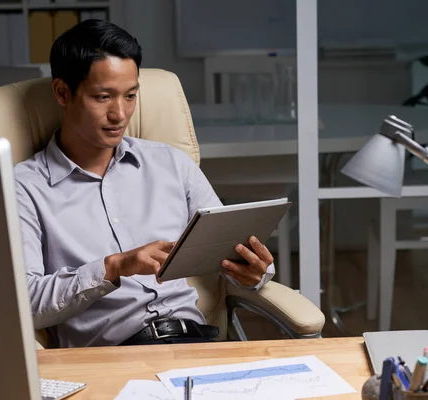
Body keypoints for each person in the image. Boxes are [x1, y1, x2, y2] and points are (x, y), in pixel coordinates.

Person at [14, 19, 275, 348]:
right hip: (113, 359)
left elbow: (227, 249)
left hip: (194, 344)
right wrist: (115, 267)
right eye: (103, 97)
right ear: (63, 93)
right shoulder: (24, 186)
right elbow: (25, 303)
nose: (119, 114)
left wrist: (255, 271)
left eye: (130, 96)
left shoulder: (171, 163)